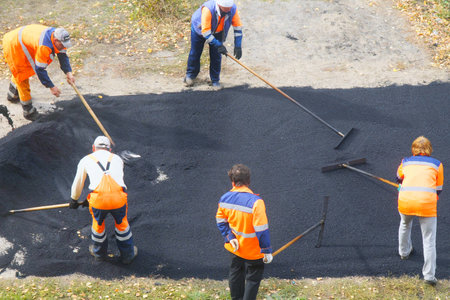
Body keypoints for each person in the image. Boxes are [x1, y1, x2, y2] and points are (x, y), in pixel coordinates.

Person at [69, 136, 137, 264]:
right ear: (109, 149)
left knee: (98, 226)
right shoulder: (117, 159)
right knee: (122, 224)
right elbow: (113, 181)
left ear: (93, 148)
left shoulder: (86, 160)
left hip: (98, 200)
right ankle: (128, 255)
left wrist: (74, 200)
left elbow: (78, 183)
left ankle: (99, 254)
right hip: (118, 198)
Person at [216, 164, 272, 300]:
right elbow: (261, 230)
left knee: (235, 272)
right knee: (253, 278)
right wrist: (266, 250)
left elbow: (220, 220)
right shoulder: (256, 202)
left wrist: (229, 237)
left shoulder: (224, 198)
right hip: (253, 251)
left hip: (235, 248)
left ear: (233, 181)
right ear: (249, 181)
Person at [396, 136, 443, 286]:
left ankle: (404, 252)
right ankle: (429, 275)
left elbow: (398, 178)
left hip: (406, 201)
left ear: (413, 149)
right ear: (429, 149)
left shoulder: (405, 162)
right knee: (429, 239)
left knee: (405, 224)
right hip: (426, 204)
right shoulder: (437, 164)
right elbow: (438, 189)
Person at [2, 24, 75, 120]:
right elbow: (40, 70)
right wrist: (51, 86)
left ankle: (12, 94)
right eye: (62, 45)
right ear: (56, 41)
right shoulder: (44, 46)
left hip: (23, 42)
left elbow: (63, 55)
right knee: (21, 74)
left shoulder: (58, 37)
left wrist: (68, 72)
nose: (63, 47)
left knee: (21, 71)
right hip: (14, 45)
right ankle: (28, 111)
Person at [184, 0, 242, 90]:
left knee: (216, 56)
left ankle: (215, 80)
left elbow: (238, 28)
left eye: (229, 8)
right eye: (225, 9)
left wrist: (238, 46)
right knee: (195, 52)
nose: (227, 10)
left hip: (217, 31)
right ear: (219, 5)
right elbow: (206, 33)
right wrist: (218, 45)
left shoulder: (232, 9)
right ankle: (190, 76)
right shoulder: (208, 9)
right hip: (199, 29)